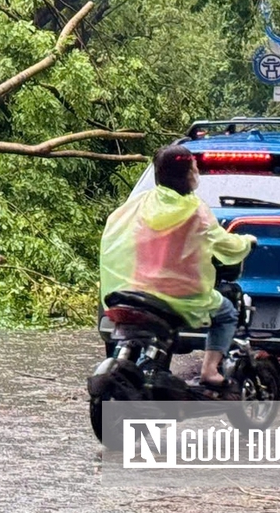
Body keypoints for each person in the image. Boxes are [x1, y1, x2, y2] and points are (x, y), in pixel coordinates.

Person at [100, 145, 256, 391]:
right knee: (226, 312)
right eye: (194, 168)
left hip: (137, 289)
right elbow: (227, 248)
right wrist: (247, 242)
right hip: (181, 295)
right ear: (188, 175)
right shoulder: (195, 211)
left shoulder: (140, 204)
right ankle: (210, 371)